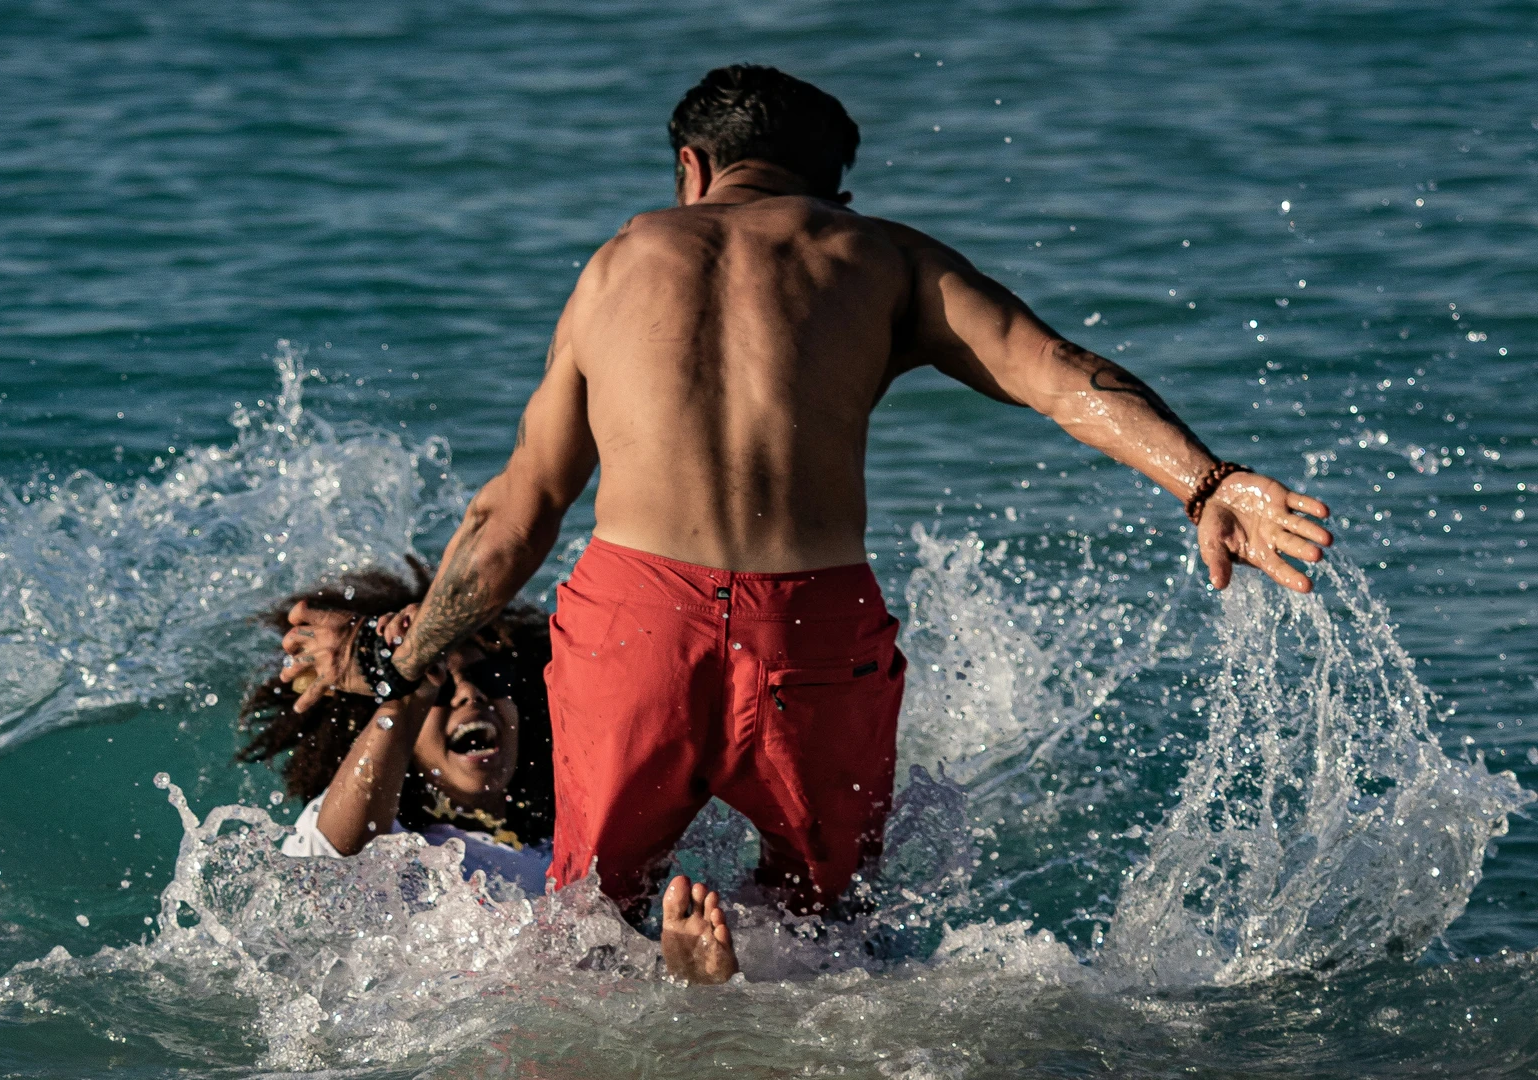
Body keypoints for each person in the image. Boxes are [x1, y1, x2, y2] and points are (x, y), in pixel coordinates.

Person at [285, 64, 1334, 983]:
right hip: (813, 632)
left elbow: (518, 513)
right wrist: (1206, 483)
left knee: (579, 931)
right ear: (835, 187)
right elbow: (1062, 379)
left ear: (691, 168)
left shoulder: (621, 264)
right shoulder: (881, 256)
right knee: (832, 931)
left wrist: (405, 661)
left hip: (637, 621)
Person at [241, 564, 556, 891]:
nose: (470, 695)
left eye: (490, 676)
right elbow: (335, 861)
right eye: (442, 688)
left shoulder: (566, 824)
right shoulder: (401, 849)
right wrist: (407, 683)